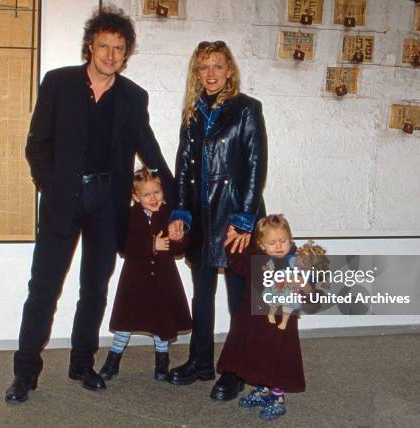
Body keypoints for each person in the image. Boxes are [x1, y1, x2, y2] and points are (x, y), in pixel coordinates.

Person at [5, 7, 174, 403]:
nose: (111, 55)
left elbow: (149, 151)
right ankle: (25, 374)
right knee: (43, 288)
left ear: (126, 53)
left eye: (119, 48)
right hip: (63, 200)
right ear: (90, 46)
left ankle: (82, 364)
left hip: (106, 204)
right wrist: (52, 187)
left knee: (94, 289)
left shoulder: (134, 97)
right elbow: (37, 144)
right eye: (104, 46)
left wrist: (178, 202)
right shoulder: (59, 83)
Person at [166, 40, 267, 401]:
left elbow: (256, 166)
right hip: (201, 217)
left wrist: (245, 220)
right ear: (197, 73)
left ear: (230, 71)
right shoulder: (192, 113)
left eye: (218, 66)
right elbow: (182, 168)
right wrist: (179, 212)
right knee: (202, 295)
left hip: (234, 218)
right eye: (203, 67)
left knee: (239, 300)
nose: (211, 74)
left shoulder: (247, 110)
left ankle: (236, 371)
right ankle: (200, 362)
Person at [217, 215, 329, 421]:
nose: (278, 246)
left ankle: (277, 397)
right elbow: (236, 265)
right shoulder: (255, 256)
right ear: (261, 243)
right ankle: (262, 389)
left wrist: (302, 284)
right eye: (272, 242)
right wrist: (232, 242)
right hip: (255, 321)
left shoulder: (298, 261)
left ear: (291, 239)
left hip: (281, 325)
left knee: (277, 357)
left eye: (283, 241)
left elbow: (312, 292)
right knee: (258, 354)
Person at [98, 168, 192, 382]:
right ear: (135, 197)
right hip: (135, 281)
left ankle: (162, 360)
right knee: (125, 322)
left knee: (161, 321)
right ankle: (113, 361)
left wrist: (178, 238)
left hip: (163, 280)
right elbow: (124, 247)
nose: (153, 198)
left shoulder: (170, 214)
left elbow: (179, 250)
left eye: (157, 192)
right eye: (146, 194)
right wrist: (152, 245)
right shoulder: (129, 216)